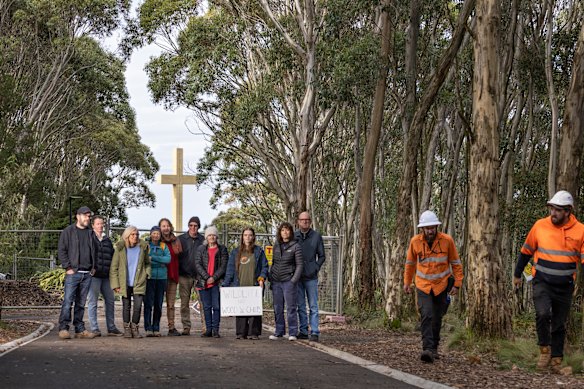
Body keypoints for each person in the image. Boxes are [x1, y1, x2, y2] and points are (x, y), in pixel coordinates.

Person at [513, 190, 584, 375]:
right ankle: (544, 351)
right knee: (543, 314)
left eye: (558, 210)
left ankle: (556, 361)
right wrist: (517, 274)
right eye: (552, 208)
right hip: (541, 281)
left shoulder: (581, 231)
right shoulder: (540, 226)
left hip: (565, 286)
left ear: (568, 211)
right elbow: (526, 251)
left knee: (559, 323)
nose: (553, 213)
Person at [403, 210, 463, 363]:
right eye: (427, 228)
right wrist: (406, 282)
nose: (430, 231)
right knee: (426, 315)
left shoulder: (447, 241)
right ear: (422, 229)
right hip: (423, 286)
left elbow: (456, 263)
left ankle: (434, 347)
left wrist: (457, 284)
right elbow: (409, 264)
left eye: (432, 227)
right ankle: (427, 349)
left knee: (437, 317)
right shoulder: (415, 242)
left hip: (441, 286)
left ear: (437, 227)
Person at [57, 206, 97, 339]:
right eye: (85, 215)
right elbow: (62, 250)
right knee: (68, 301)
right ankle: (63, 328)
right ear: (78, 216)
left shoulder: (91, 233)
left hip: (87, 274)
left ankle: (80, 329)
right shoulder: (68, 232)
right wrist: (68, 268)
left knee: (81, 303)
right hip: (73, 273)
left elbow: (95, 251)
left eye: (89, 216)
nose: (88, 218)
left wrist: (94, 267)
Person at [224, 227, 269, 339]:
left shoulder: (259, 251)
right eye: (245, 235)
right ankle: (241, 332)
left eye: (250, 235)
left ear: (253, 237)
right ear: (242, 237)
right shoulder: (235, 252)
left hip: (254, 286)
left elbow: (264, 267)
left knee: (254, 310)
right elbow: (230, 270)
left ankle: (254, 333)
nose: (247, 237)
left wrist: (262, 278)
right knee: (241, 309)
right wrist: (225, 285)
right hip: (240, 285)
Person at [110, 226, 151, 338]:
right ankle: (127, 329)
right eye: (133, 234)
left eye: (137, 234)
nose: (135, 236)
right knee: (126, 306)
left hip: (139, 281)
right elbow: (114, 268)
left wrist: (147, 273)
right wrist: (115, 284)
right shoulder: (120, 249)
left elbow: (147, 263)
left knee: (138, 306)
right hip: (124, 282)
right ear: (127, 236)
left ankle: (135, 328)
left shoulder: (142, 248)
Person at [87, 215, 122, 337]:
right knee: (93, 302)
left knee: (110, 301)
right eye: (98, 224)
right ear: (93, 225)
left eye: (102, 224)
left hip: (106, 276)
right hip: (94, 276)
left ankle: (111, 328)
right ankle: (94, 328)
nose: (101, 226)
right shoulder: (89, 238)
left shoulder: (107, 240)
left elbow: (112, 257)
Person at [269, 222, 303, 341]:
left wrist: (293, 280)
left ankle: (293, 332)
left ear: (291, 232)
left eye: (287, 230)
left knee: (291, 308)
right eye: (283, 230)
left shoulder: (295, 246)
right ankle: (279, 331)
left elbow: (299, 265)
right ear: (280, 232)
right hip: (276, 282)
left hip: (288, 281)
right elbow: (273, 262)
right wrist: (271, 276)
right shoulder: (276, 245)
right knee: (277, 308)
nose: (285, 232)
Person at [295, 211, 326, 342]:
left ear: (310, 221)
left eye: (307, 220)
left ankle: (314, 331)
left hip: (311, 277)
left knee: (313, 306)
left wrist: (315, 267)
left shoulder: (316, 236)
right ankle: (303, 330)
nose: (305, 222)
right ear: (298, 221)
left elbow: (322, 255)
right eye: (302, 220)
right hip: (297, 276)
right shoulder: (294, 236)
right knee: (300, 306)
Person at [194, 226, 228, 338]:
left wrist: (214, 277)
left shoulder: (222, 249)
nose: (211, 237)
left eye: (213, 235)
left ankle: (216, 330)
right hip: (203, 282)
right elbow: (198, 264)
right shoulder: (201, 249)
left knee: (216, 307)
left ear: (216, 236)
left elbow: (223, 266)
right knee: (206, 307)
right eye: (209, 235)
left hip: (216, 283)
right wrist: (207, 277)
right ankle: (208, 329)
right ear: (206, 237)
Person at [177, 216, 205, 336]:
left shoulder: (203, 240)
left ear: (198, 227)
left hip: (199, 276)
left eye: (196, 225)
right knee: (184, 303)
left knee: (203, 302)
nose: (193, 228)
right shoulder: (181, 239)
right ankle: (186, 327)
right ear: (188, 226)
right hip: (184, 275)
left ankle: (205, 326)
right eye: (191, 225)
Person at [144, 226, 171, 337]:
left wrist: (154, 258)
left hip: (161, 278)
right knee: (148, 304)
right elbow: (145, 259)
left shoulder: (163, 246)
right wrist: (160, 261)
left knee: (158, 304)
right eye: (154, 233)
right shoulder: (146, 246)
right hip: (149, 277)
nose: (156, 235)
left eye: (158, 233)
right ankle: (148, 328)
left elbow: (168, 259)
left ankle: (156, 327)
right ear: (151, 234)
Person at [159, 218, 183, 336]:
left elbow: (180, 255)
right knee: (157, 302)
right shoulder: (157, 241)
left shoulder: (176, 241)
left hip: (173, 275)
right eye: (163, 226)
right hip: (160, 276)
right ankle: (154, 326)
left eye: (167, 225)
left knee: (171, 304)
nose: (166, 228)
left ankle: (171, 327)